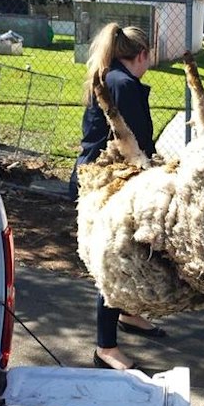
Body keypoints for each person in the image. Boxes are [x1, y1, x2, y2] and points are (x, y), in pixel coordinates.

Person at [69, 23, 167, 372]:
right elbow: (137, 139)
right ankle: (105, 348)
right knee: (115, 261)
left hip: (102, 175)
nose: (151, 60)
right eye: (150, 55)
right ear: (141, 55)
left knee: (125, 255)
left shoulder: (113, 77)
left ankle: (128, 313)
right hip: (106, 183)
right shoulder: (123, 85)